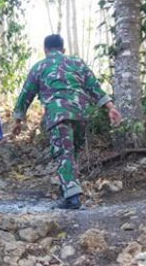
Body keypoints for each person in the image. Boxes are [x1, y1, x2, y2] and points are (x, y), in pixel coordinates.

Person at [12, 34, 123, 210]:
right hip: (81, 114)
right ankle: (68, 190)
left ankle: (72, 198)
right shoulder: (77, 63)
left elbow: (26, 95)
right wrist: (110, 107)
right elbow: (94, 87)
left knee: (64, 154)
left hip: (58, 115)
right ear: (63, 49)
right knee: (73, 154)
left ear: (45, 50)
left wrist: (18, 120)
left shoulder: (39, 66)